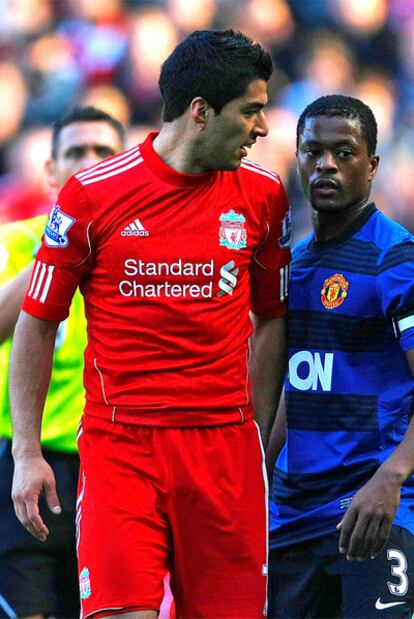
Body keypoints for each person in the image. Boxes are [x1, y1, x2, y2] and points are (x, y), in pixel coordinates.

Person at [9, 29, 290, 619]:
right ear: (200, 112)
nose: (262, 128)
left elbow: (273, 319)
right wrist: (28, 451)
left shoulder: (263, 196)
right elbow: (36, 321)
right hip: (122, 448)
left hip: (224, 451)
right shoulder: (92, 195)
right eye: (252, 110)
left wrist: (258, 435)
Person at [268, 94, 414, 618]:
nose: (325, 164)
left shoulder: (397, 260)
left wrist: (391, 478)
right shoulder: (293, 266)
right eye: (312, 151)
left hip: (374, 511)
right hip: (291, 518)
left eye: (344, 152)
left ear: (371, 165)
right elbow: (294, 386)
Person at [0, 106, 125, 619]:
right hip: (20, 458)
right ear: (50, 171)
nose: (87, 163)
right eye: (75, 153)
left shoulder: (139, 250)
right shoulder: (16, 241)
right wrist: (59, 244)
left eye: (103, 153)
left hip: (111, 464)